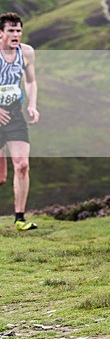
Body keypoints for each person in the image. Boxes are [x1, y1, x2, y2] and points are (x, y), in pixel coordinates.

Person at [0, 13, 40, 231]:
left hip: (14, 115)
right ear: (0, 33)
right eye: (11, 31)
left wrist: (32, 105)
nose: (16, 35)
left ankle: (19, 220)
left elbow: (31, 81)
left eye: (18, 31)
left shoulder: (26, 52)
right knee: (1, 178)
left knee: (23, 165)